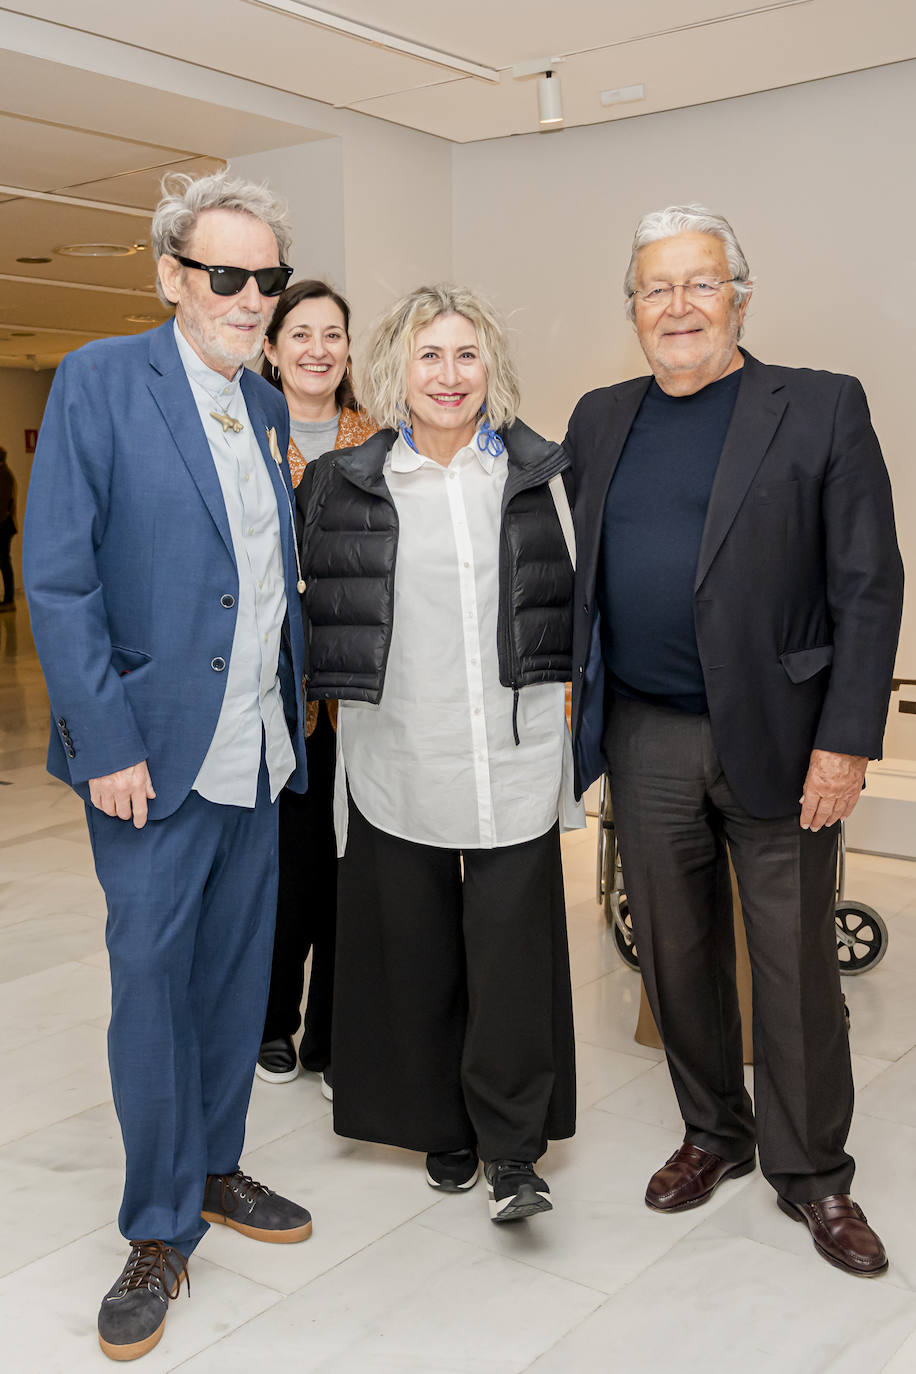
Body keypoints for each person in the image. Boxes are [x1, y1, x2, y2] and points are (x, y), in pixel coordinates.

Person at [567, 205, 903, 1277]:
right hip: (644, 731)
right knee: (674, 958)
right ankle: (714, 1132)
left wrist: (846, 740)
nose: (676, 306)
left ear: (738, 299)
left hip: (783, 737)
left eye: (698, 285)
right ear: (632, 310)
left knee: (793, 965)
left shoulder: (819, 405)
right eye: (655, 289)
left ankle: (813, 1177)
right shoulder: (600, 415)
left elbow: (868, 582)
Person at [23, 171, 314, 1362]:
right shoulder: (101, 380)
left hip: (257, 747)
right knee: (153, 987)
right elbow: (60, 578)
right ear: (171, 276)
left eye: (265, 278)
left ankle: (214, 1168)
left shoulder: (272, 407)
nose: (249, 299)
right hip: (150, 757)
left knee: (235, 983)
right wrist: (107, 744)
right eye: (225, 275)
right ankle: (154, 1228)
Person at [297, 284, 581, 1222]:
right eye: (429, 356)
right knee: (411, 951)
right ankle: (443, 1128)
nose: (449, 375)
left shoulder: (540, 474)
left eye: (466, 356)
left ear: (489, 368)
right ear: (394, 372)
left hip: (511, 748)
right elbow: (310, 606)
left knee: (510, 957)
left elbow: (572, 601)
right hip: (396, 751)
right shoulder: (346, 483)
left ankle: (512, 1148)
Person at [255, 280, 376, 1093]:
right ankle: (272, 1024)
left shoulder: (380, 441)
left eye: (332, 335)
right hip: (277, 696)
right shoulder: (245, 435)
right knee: (286, 870)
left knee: (353, 870)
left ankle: (336, 1035)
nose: (317, 350)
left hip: (363, 694)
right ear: (271, 348)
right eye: (300, 335)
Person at [0, 444, 17, 611]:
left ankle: (9, 600)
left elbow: (3, 505)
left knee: (4, 562)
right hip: (4, 525)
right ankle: (8, 600)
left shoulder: (4, 475)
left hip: (3, 527)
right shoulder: (4, 474)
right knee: (4, 562)